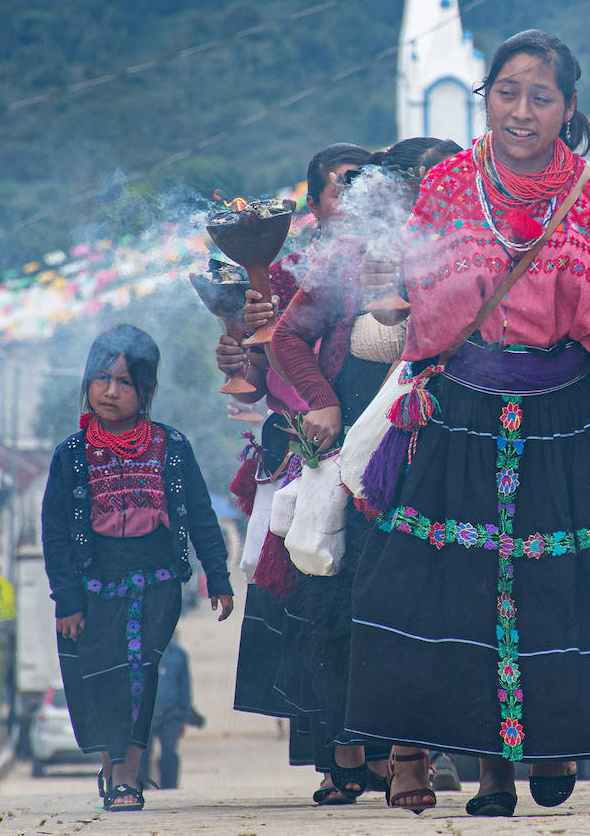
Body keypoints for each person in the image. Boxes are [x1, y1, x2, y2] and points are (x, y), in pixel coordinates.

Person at [347, 30, 590, 817]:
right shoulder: (449, 186)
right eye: (506, 92)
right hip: (462, 413)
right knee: (461, 589)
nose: (521, 110)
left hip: (567, 413)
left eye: (541, 96)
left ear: (569, 107)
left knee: (556, 586)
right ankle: (492, 770)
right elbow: (409, 293)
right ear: (485, 96)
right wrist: (391, 299)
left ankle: (556, 737)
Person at [268, 136, 461, 807]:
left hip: (446, 442)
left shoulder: (470, 251)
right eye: (421, 183)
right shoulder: (348, 259)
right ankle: (363, 750)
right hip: (360, 447)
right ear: (396, 190)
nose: (434, 193)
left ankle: (417, 752)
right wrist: (321, 402)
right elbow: (290, 338)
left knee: (433, 598)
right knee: (349, 601)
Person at [219, 142, 377, 806]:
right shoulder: (284, 273)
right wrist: (242, 337)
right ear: (311, 206)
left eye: (362, 183)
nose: (352, 197)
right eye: (338, 188)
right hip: (308, 450)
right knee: (321, 601)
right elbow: (250, 384)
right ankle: (336, 752)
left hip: (389, 438)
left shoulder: (402, 256)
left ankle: (409, 747)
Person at [42, 325, 234, 811]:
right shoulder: (69, 456)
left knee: (138, 670)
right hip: (94, 583)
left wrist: (219, 576)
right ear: (86, 383)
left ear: (145, 391)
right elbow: (57, 534)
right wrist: (67, 599)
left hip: (157, 580)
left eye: (124, 382)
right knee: (103, 675)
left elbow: (201, 515)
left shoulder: (172, 446)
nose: (110, 391)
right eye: (101, 378)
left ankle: (127, 775)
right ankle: (113, 766)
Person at [139, 637, 203, 789]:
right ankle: (141, 788)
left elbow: (185, 688)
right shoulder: (139, 652)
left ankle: (170, 789)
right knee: (142, 754)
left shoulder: (178, 655)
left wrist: (184, 718)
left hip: (170, 714)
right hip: (144, 715)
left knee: (169, 752)